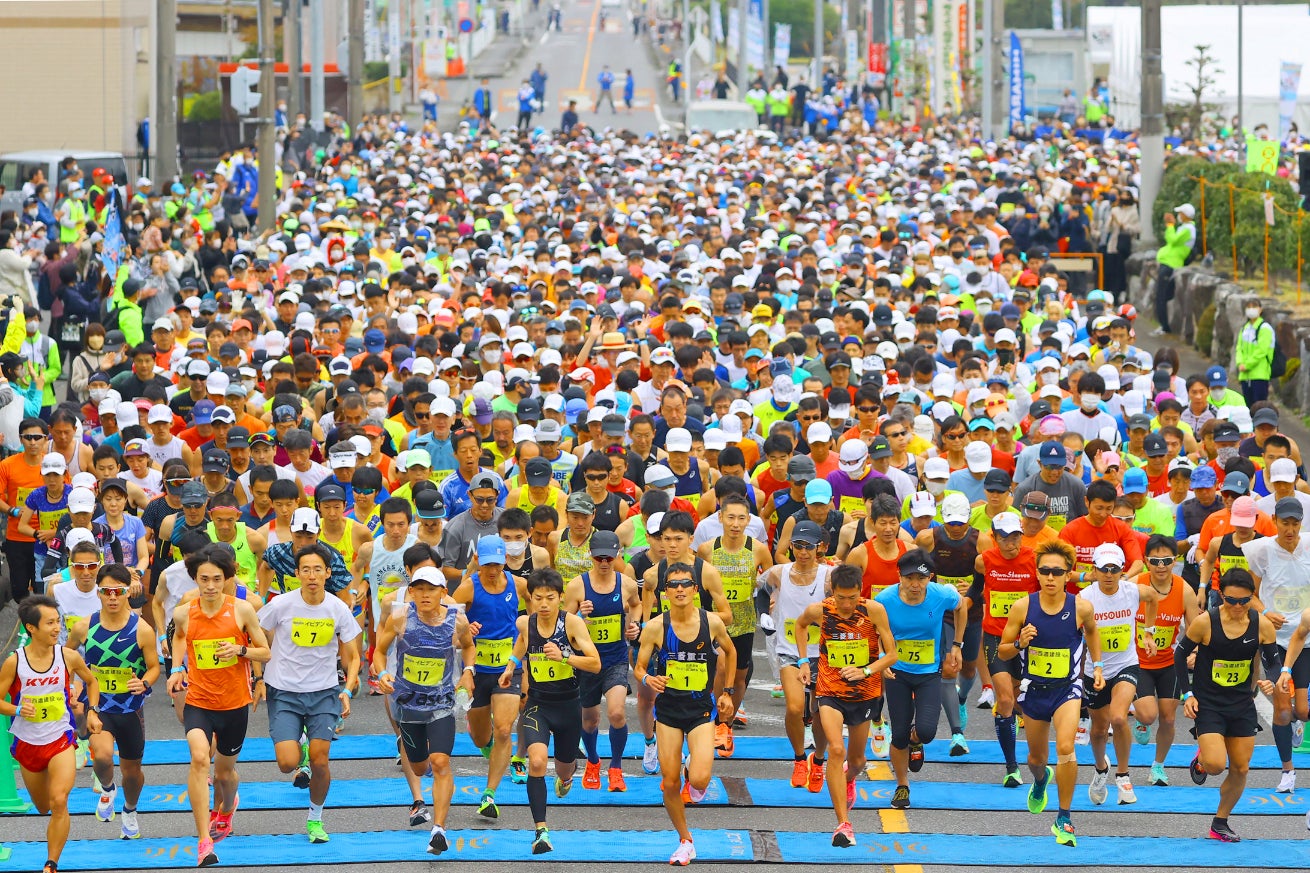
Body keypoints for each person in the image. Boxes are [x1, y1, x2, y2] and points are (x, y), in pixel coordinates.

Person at [167, 544, 272, 867]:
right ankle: (203, 840)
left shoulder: (242, 610)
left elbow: (264, 651)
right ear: (195, 580)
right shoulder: (184, 611)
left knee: (225, 774)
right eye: (203, 579)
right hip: (199, 699)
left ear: (226, 578)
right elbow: (181, 637)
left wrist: (239, 652)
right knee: (200, 759)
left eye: (216, 579)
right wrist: (176, 668)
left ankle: (226, 807)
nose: (210, 586)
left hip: (234, 702)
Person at [999, 540, 1103, 847]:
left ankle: (1064, 817)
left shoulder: (1080, 607)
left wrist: (1096, 667)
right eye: (1044, 570)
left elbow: (1093, 632)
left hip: (1067, 689)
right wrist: (1020, 642)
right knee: (1036, 758)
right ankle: (1041, 780)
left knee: (1067, 747)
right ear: (1037, 572)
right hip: (1034, 692)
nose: (1050, 577)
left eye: (1057, 572)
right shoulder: (1023, 606)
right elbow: (1002, 651)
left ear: (1068, 574)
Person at [256, 541, 362, 843]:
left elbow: (352, 655)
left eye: (318, 569)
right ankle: (299, 745)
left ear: (327, 573)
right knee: (287, 762)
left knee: (320, 759)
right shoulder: (280, 605)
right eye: (306, 570)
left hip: (323, 692)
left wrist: (348, 689)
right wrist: (259, 677)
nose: (312, 575)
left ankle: (315, 818)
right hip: (285, 691)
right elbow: (257, 633)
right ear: (297, 573)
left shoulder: (337, 608)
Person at [634, 560, 736, 866]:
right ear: (665, 592)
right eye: (673, 585)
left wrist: (728, 693)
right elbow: (639, 666)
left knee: (701, 781)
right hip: (667, 712)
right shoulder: (655, 627)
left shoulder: (712, 622)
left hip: (700, 710)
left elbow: (730, 652)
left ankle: (693, 768)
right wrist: (647, 678)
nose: (680, 589)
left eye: (685, 584)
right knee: (668, 782)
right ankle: (685, 839)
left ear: (695, 589)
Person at [372, 565, 477, 855]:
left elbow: (469, 647)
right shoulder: (400, 617)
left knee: (441, 761)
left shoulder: (457, 621)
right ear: (412, 592)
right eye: (419, 589)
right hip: (407, 704)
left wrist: (468, 671)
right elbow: (379, 652)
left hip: (441, 703)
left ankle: (438, 830)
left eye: (431, 589)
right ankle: (416, 756)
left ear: (443, 592)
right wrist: (382, 675)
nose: (424, 594)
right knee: (420, 766)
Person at [793, 564, 897, 847]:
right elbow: (799, 626)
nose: (847, 604)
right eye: (841, 598)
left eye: (852, 597)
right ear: (832, 593)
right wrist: (803, 662)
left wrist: (865, 670)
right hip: (829, 690)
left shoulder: (873, 611)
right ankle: (844, 824)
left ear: (860, 592)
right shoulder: (821, 610)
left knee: (858, 761)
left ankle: (848, 779)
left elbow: (892, 654)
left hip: (863, 693)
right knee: (836, 749)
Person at [501, 566, 602, 854]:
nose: (543, 604)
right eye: (537, 598)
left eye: (549, 598)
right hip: (538, 705)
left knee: (562, 767)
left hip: (569, 706)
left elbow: (595, 663)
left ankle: (567, 776)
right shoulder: (526, 622)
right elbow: (522, 643)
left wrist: (565, 656)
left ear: (560, 597)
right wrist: (510, 667)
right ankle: (541, 831)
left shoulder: (572, 624)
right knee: (536, 761)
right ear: (530, 599)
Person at [0, 595, 103, 873]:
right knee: (44, 806)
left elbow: (92, 682)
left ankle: (51, 864)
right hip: (27, 743)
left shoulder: (67, 656)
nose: (57, 628)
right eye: (50, 623)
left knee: (59, 801)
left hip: (60, 739)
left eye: (58, 622)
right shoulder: (15, 662)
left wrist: (91, 711)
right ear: (31, 628)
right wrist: (19, 709)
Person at [1177, 568, 1278, 842]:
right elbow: (1180, 654)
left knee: (1241, 768)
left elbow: (1273, 662)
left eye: (1244, 601)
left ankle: (1220, 822)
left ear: (1251, 598)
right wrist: (1188, 695)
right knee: (1215, 765)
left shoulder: (1262, 625)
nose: (1237, 607)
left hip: (1242, 704)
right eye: (1231, 601)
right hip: (1208, 703)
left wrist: (1272, 681)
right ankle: (1201, 760)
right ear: (1221, 596)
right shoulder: (1205, 622)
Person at [65, 564, 160, 839]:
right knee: (103, 756)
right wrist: (71, 686)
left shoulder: (141, 629)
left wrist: (144, 682)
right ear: (99, 593)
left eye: (118, 591)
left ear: (127, 592)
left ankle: (130, 809)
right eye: (106, 591)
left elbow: (153, 667)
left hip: (130, 709)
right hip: (99, 707)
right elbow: (66, 657)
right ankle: (107, 790)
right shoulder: (84, 626)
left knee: (132, 774)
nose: (113, 597)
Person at [874, 548, 965, 809]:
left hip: (928, 672)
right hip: (897, 671)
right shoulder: (885, 599)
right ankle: (902, 785)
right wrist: (882, 660)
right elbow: (875, 630)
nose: (915, 585)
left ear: (931, 577)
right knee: (899, 734)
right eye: (909, 578)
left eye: (921, 579)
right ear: (899, 576)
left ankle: (917, 741)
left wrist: (956, 644)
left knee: (925, 731)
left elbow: (963, 606)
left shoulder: (941, 595)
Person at [451, 534, 529, 817]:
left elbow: (533, 620)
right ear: (477, 561)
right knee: (482, 738)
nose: (492, 570)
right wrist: (464, 631)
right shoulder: (466, 590)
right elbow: (449, 633)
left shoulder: (519, 585)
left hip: (508, 668)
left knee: (505, 729)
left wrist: (527, 658)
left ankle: (489, 795)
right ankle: (487, 744)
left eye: (497, 564)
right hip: (478, 671)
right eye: (487, 565)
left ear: (506, 561)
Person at [1079, 543, 1158, 806]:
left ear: (1122, 570)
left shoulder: (1131, 591)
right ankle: (1101, 768)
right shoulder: (1085, 597)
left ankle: (1123, 775)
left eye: (1114, 569)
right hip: (1095, 670)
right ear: (1095, 570)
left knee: (1118, 717)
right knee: (1099, 729)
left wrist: (1149, 632)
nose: (1109, 574)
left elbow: (1153, 597)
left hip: (1126, 664)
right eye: (1104, 569)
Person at [562, 530, 641, 791]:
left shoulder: (625, 583)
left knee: (617, 713)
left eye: (609, 558)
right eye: (599, 559)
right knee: (590, 720)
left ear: (617, 555)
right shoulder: (577, 586)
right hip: (587, 662)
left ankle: (616, 767)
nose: (604, 563)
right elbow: (562, 624)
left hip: (616, 658)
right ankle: (594, 761)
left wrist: (634, 624)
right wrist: (579, 616)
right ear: (590, 556)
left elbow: (636, 604)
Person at [1242, 496, 1310, 793]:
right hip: (1274, 639)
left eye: (1295, 523)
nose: (1290, 530)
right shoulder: (1262, 551)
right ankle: (1287, 771)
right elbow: (1249, 595)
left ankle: (1300, 720)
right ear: (1276, 522)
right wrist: (1266, 611)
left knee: (1303, 711)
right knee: (1283, 709)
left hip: (1306, 638)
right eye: (1285, 523)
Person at [967, 511, 1038, 787]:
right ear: (994, 538)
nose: (1012, 543)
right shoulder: (983, 561)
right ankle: (1011, 767)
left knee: (1023, 699)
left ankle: (1030, 745)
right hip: (996, 637)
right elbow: (976, 589)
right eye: (1005, 537)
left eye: (1016, 536)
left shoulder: (1034, 559)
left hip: (1030, 639)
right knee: (1006, 699)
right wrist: (963, 602)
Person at [763, 519, 833, 790]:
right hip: (789, 649)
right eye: (798, 546)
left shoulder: (828, 576)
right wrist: (766, 613)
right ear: (790, 546)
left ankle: (818, 760)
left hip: (822, 652)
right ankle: (799, 758)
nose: (803, 552)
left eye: (809, 547)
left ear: (821, 548)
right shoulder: (779, 573)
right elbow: (761, 591)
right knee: (794, 707)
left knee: (820, 712)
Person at [1132, 534, 1201, 787]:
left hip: (1170, 662)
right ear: (1146, 561)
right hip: (1136, 662)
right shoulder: (1135, 585)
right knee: (1149, 715)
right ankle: (1140, 717)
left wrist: (1194, 653)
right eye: (1155, 560)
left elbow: (1195, 627)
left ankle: (1158, 766)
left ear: (1176, 561)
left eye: (1167, 560)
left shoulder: (1184, 590)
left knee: (1169, 718)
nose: (1161, 566)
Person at [1235, 298, 1276, 404]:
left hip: (1259, 375)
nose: (1251, 309)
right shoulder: (1244, 328)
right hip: (1245, 375)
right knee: (1248, 407)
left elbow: (1262, 351)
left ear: (1260, 309)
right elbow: (1239, 348)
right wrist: (1240, 363)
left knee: (1259, 407)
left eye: (1254, 307)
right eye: (1248, 307)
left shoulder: (1265, 328)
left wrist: (1247, 365)